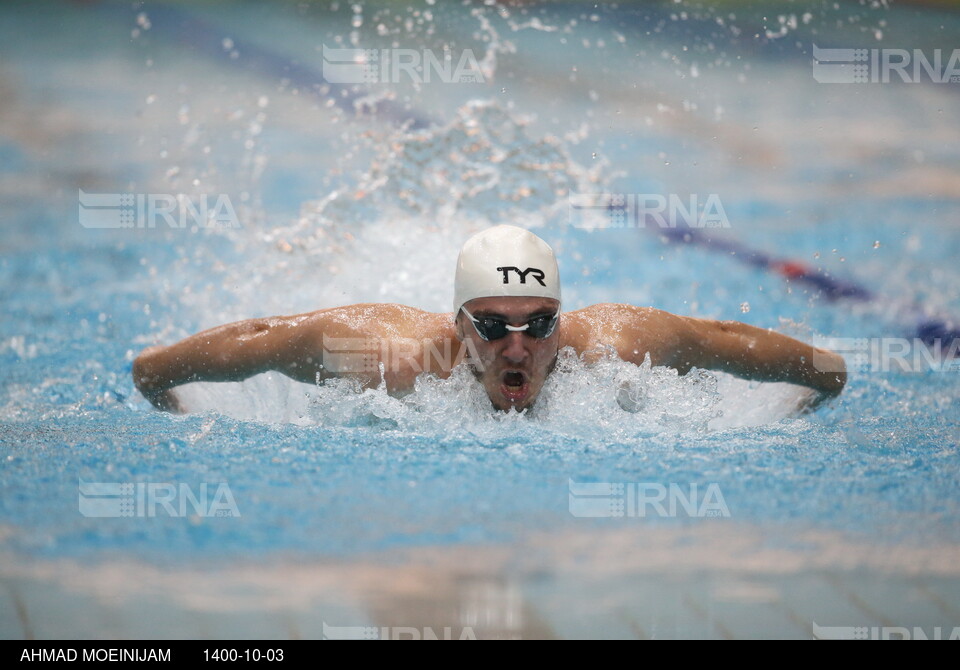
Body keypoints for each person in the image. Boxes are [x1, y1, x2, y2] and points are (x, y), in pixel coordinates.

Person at [132, 225, 846, 414]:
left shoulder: (617, 347)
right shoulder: (390, 358)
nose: (517, 345)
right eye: (492, 325)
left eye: (538, 326)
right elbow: (260, 339)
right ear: (456, 326)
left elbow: (724, 342)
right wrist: (162, 385)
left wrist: (823, 382)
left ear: (562, 324)